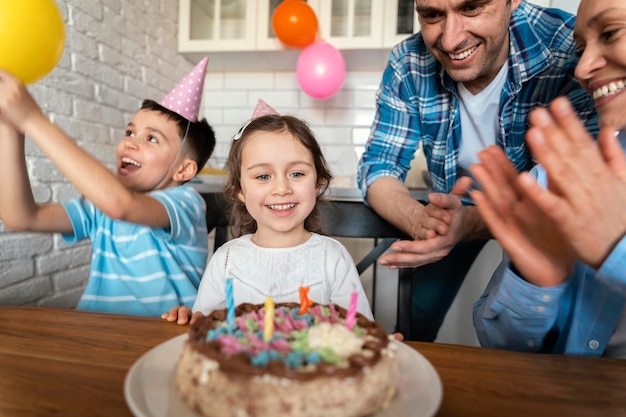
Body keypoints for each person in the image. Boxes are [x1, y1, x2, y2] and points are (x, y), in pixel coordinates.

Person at [356, 0, 598, 341]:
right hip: (450, 212)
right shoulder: (408, 61)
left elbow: (572, 190)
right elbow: (379, 165)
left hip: (541, 213)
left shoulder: (570, 48)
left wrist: (472, 223)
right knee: (416, 320)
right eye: (431, 15)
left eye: (471, 8)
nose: (451, 40)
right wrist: (420, 220)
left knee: (548, 329)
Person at [0, 58, 216, 317]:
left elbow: (120, 205)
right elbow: (20, 217)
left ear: (184, 170)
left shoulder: (186, 202)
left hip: (161, 337)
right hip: (97, 334)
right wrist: (12, 128)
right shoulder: (98, 208)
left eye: (151, 138)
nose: (130, 143)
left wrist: (33, 120)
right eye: (129, 132)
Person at [471, 0, 626, 357]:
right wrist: (534, 281)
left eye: (611, 33)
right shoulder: (551, 182)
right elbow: (495, 342)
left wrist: (615, 250)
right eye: (581, 48)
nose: (584, 68)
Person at [163, 100, 373, 325]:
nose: (282, 189)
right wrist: (187, 319)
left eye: (297, 174)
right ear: (240, 190)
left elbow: (359, 331)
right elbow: (204, 329)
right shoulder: (225, 261)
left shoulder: (332, 259)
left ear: (318, 183)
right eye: (263, 176)